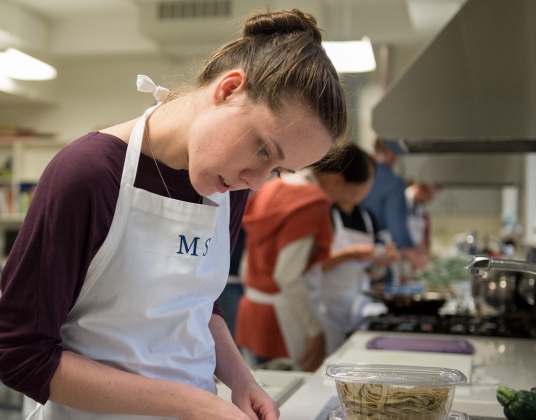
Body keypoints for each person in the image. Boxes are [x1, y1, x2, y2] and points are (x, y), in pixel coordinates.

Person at [0, 9, 347, 420]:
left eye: (276, 170)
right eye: (263, 149)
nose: (256, 182)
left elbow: (200, 305)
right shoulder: (89, 174)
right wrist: (189, 402)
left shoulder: (227, 185)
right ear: (229, 89)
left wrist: (241, 380)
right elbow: (18, 353)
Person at [235, 145, 385, 372]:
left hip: (253, 309)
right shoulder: (311, 201)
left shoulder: (272, 187)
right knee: (293, 397)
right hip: (286, 318)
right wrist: (315, 331)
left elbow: (248, 265)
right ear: (337, 179)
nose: (350, 198)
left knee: (263, 390)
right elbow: (287, 276)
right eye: (351, 190)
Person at [317, 145, 398, 355]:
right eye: (360, 179)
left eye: (368, 181)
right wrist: (350, 254)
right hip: (326, 307)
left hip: (358, 306)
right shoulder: (323, 213)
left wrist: (380, 263)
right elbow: (314, 266)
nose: (360, 188)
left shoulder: (368, 217)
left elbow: (372, 273)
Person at [362, 139, 428, 282]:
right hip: (378, 255)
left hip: (349, 254)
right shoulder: (393, 183)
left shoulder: (361, 173)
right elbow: (397, 226)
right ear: (394, 154)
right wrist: (411, 252)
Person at [405, 181, 439, 255]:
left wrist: (425, 253)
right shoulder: (403, 199)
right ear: (419, 189)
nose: (428, 201)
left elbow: (419, 234)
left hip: (412, 253)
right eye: (428, 196)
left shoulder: (418, 206)